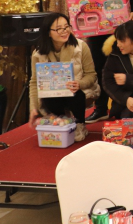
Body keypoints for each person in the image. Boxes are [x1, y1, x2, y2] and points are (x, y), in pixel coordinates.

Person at [29, 13, 98, 142]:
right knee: (47, 92)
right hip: (54, 95)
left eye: (66, 27)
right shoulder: (38, 54)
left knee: (76, 93)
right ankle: (61, 119)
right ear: (48, 33)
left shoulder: (81, 46)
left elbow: (91, 75)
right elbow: (34, 82)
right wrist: (34, 108)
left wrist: (80, 83)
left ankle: (79, 123)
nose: (64, 31)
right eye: (58, 29)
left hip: (78, 93)